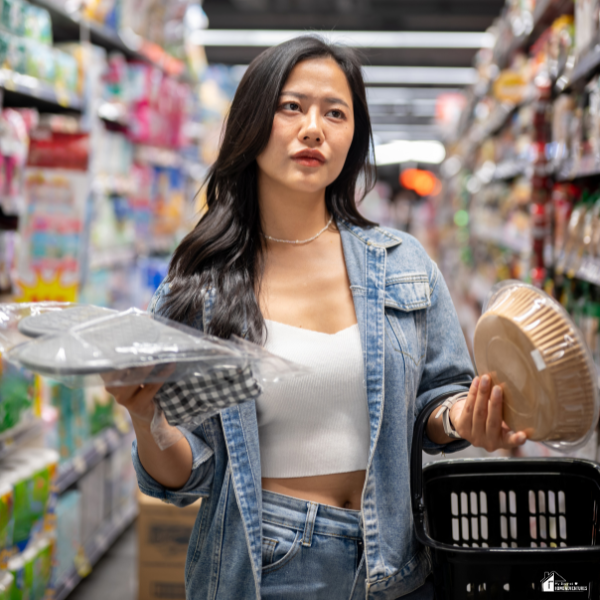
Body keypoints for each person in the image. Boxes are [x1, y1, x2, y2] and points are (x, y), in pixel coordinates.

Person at [107, 36, 528, 600]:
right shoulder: (203, 285)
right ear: (253, 122)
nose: (314, 128)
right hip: (269, 567)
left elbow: (438, 398)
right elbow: (187, 476)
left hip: (397, 566)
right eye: (291, 107)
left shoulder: (402, 264)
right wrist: (147, 421)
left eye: (336, 112)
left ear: (353, 136)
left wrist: (461, 419)